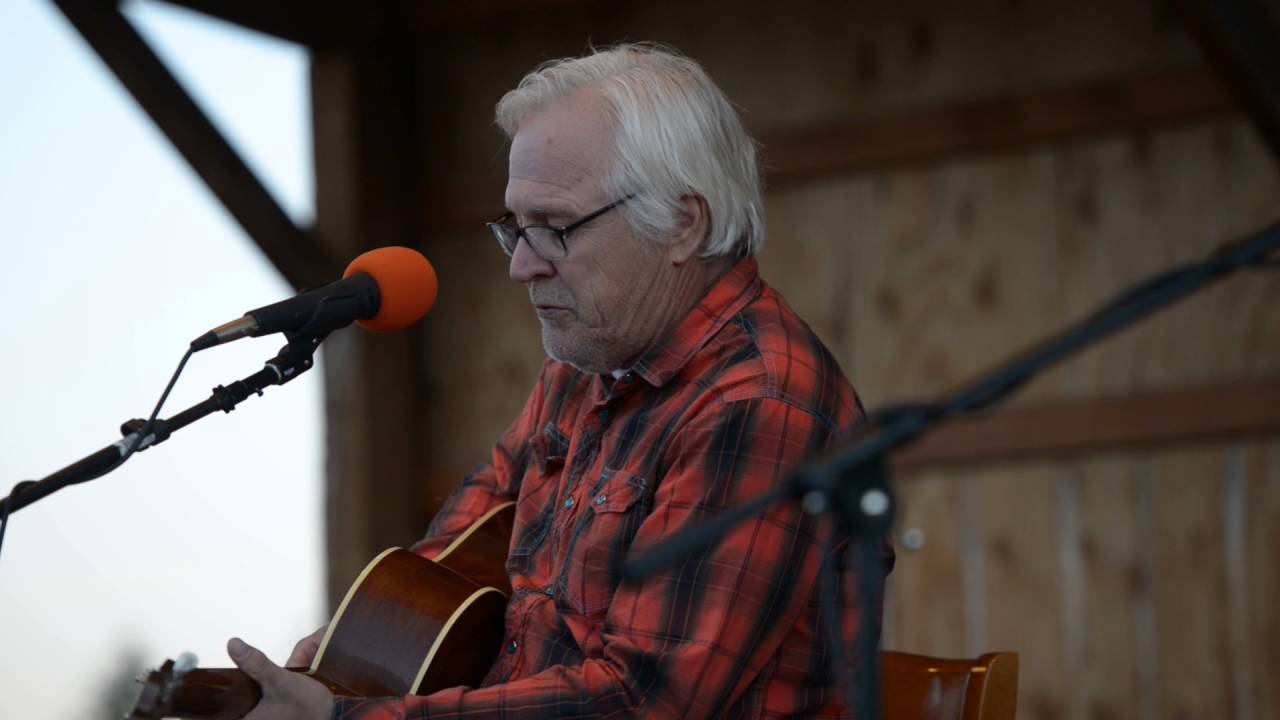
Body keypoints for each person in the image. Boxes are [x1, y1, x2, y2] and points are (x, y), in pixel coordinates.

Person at [226, 42, 891, 719]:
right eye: (517, 227)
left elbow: (642, 702)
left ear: (683, 225)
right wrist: (353, 648)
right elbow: (463, 544)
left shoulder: (756, 403)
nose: (522, 266)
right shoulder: (590, 357)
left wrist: (344, 718)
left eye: (556, 227)